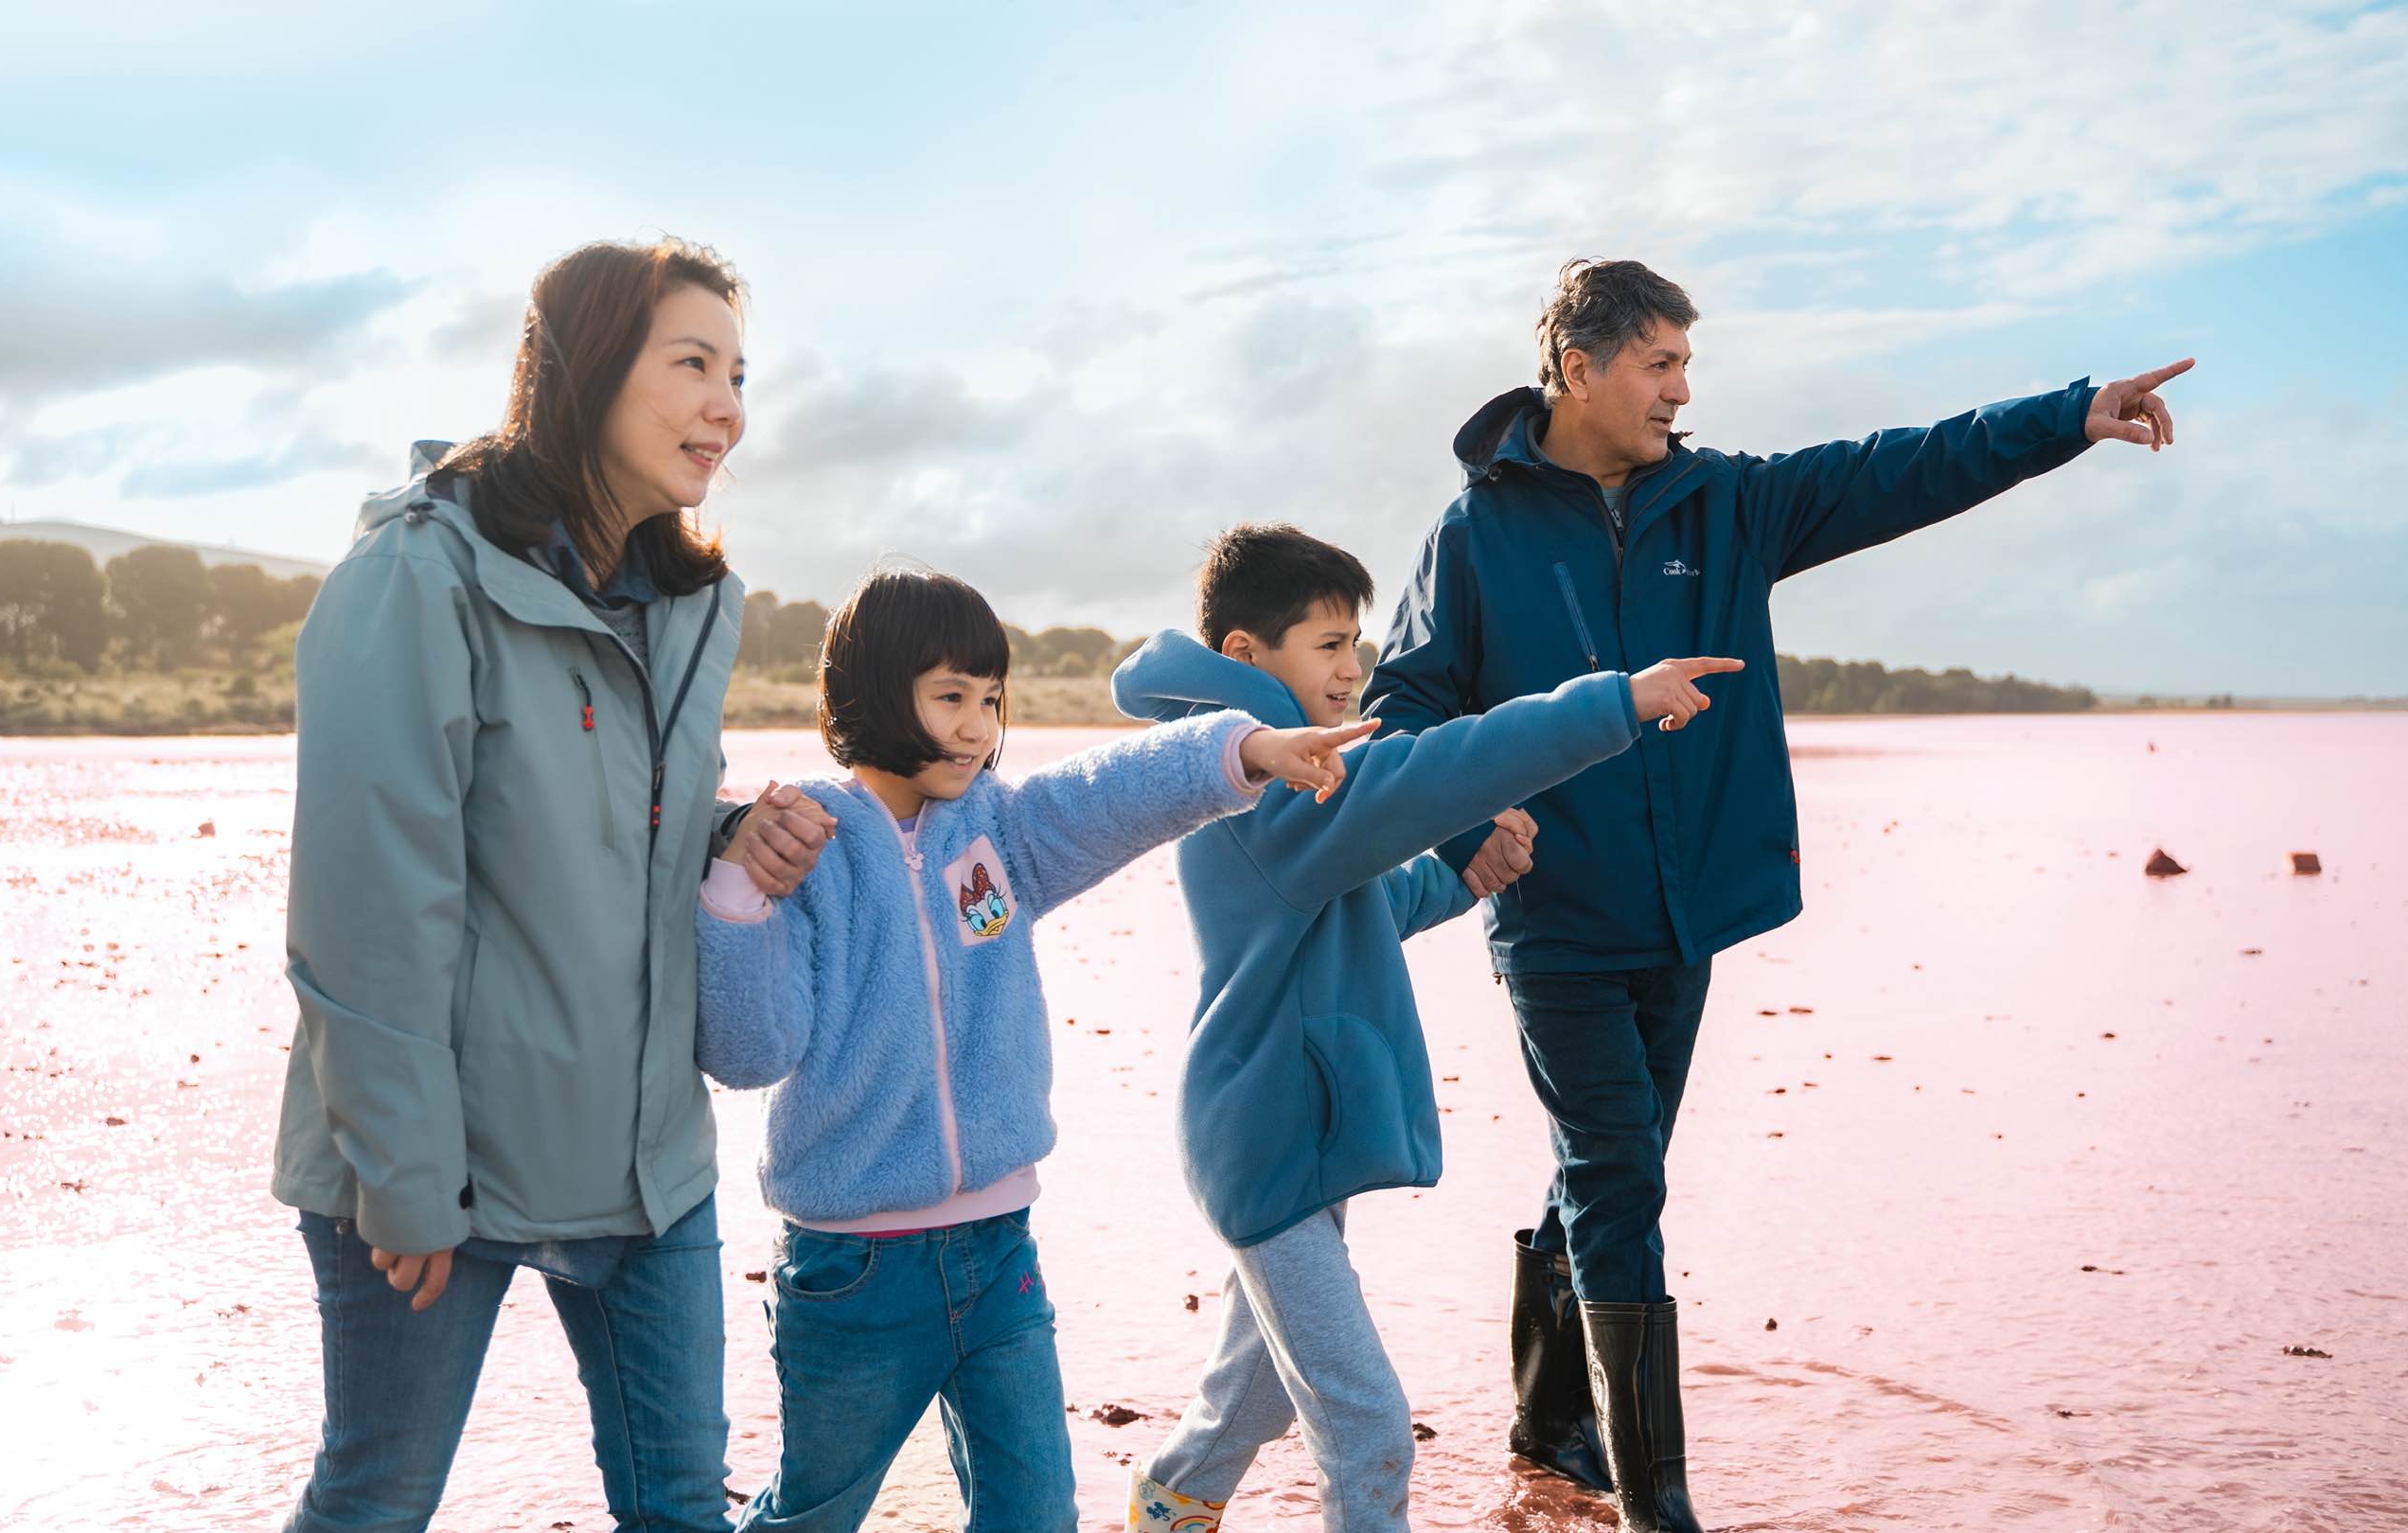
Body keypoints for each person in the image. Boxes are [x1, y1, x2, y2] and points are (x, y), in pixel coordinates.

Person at [1365, 258, 2192, 1532]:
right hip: (1558, 917)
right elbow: (1404, 706)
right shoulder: (1476, 533)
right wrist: (1479, 821)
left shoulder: (1727, 505)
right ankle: (1659, 1501)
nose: (1683, 390)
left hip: (1689, 907)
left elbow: (1897, 467)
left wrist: (2068, 415)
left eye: (1687, 364)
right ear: (1579, 370)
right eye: (1660, 363)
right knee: (1616, 1175)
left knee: (1614, 1162)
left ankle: (1545, 1416)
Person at [271, 237, 833, 1533]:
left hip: (645, 1160)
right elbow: (366, 901)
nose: (727, 408)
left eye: (739, 375)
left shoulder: (687, 601)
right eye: (691, 364)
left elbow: (629, 829)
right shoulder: (415, 577)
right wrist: (403, 1170)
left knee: (686, 1507)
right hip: (436, 1162)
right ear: (582, 371)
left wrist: (737, 837)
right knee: (375, 1502)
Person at [690, 565, 1376, 1532]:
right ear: (879, 695)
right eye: (951, 698)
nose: (978, 726)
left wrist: (1250, 750)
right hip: (853, 1273)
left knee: (1037, 1512)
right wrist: (735, 898)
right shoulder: (806, 840)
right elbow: (752, 1053)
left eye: (990, 699)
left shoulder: (999, 832)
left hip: (998, 1255)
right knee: (813, 1514)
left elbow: (1116, 787)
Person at [1107, 524, 1741, 1531]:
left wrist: (1460, 873)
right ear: (1243, 656)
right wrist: (1612, 702)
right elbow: (1438, 771)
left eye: (1356, 642)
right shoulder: (1266, 791)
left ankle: (1166, 1509)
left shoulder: (1280, 798)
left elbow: (1360, 906)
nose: (1353, 667)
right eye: (1327, 644)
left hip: (1288, 1136)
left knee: (1254, 1396)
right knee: (1371, 1432)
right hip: (1265, 1149)